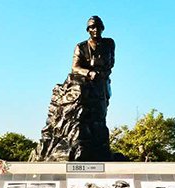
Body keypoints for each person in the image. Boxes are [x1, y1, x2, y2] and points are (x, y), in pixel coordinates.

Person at [30, 16, 116, 161]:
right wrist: (89, 73)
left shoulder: (109, 43)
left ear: (102, 28)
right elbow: (75, 67)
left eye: (97, 27)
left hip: (102, 82)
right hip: (86, 80)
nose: (95, 30)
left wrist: (102, 74)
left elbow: (111, 62)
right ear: (88, 30)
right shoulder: (81, 47)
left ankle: (98, 147)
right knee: (80, 102)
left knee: (100, 115)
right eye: (92, 27)